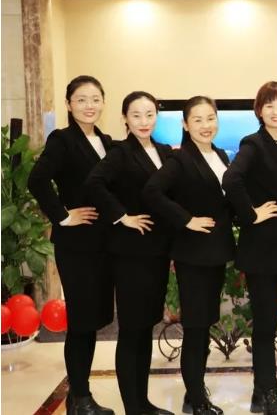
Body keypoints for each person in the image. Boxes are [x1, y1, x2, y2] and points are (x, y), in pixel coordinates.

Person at [27, 75, 115, 415]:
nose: (89, 105)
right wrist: (62, 216)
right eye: (81, 99)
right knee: (80, 321)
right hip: (77, 245)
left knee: (90, 321)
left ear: (103, 102)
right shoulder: (62, 140)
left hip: (103, 244)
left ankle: (81, 396)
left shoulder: (106, 141)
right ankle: (79, 397)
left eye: (95, 99)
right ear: (68, 104)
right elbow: (37, 179)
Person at [143, 96, 236, 415]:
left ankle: (193, 392)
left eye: (210, 118)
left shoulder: (219, 154)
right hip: (193, 256)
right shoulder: (179, 159)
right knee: (196, 329)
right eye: (197, 119)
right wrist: (186, 220)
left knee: (204, 325)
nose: (205, 125)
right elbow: (152, 192)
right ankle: (197, 401)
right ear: (185, 124)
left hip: (215, 253)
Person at [86, 91, 174, 415]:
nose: (143, 121)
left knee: (146, 328)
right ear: (124, 118)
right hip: (130, 254)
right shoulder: (120, 152)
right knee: (132, 330)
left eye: (149, 114)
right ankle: (133, 408)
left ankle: (143, 402)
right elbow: (94, 183)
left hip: (158, 252)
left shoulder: (165, 151)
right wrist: (122, 216)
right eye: (136, 115)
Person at [221, 82, 277, 415]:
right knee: (266, 326)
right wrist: (251, 214)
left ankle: (259, 394)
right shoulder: (253, 143)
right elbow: (231, 180)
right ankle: (269, 395)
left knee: (271, 322)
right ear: (259, 111)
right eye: (269, 105)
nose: (276, 111)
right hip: (261, 251)